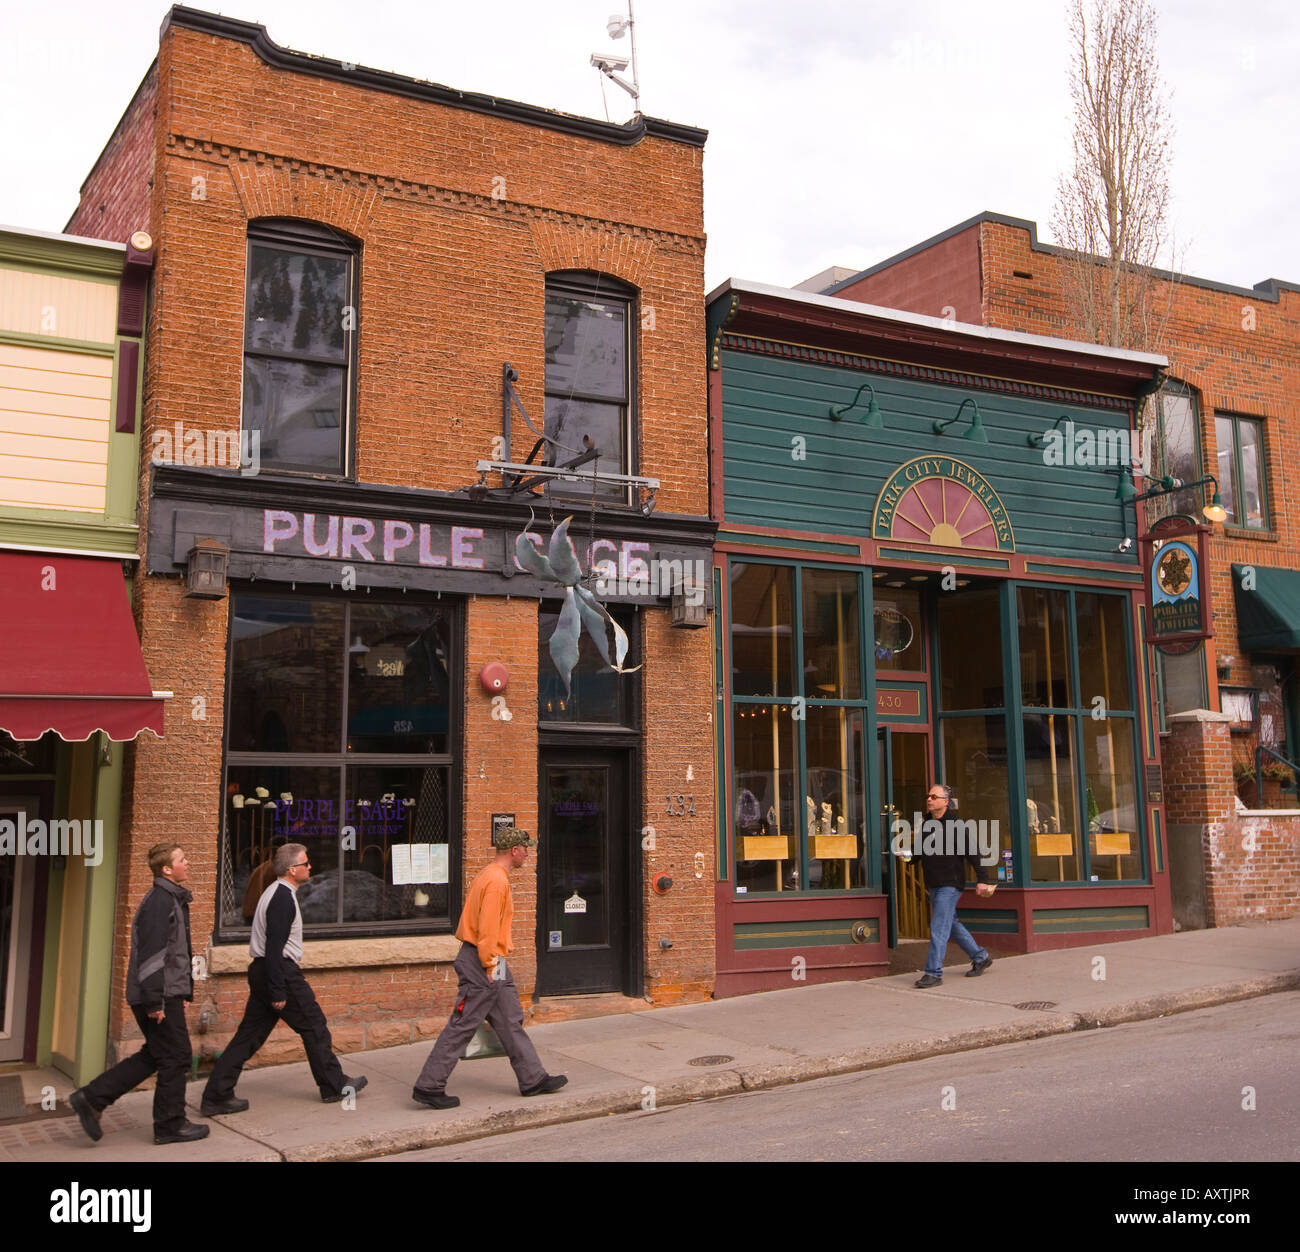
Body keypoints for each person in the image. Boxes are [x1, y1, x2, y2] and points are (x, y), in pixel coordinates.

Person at [200, 842, 365, 1114]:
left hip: (267, 971)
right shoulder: (281, 898)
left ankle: (216, 1095)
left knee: (248, 1037)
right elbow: (274, 948)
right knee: (314, 1025)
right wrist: (277, 991)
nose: (310, 867)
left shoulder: (277, 893)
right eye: (305, 864)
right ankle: (334, 1086)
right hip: (278, 972)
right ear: (292, 869)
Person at [412, 826, 566, 1109]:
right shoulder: (496, 881)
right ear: (514, 851)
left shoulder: (489, 874)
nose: (528, 854)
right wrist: (490, 965)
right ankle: (429, 1085)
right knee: (463, 1024)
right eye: (525, 849)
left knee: (510, 1019)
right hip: (484, 962)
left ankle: (533, 1078)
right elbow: (487, 929)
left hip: (491, 961)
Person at [69, 844, 209, 1145]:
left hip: (164, 993)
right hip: (157, 995)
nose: (188, 862)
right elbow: (151, 957)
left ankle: (92, 1098)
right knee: (176, 1056)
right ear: (167, 869)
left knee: (159, 1053)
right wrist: (155, 1001)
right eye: (182, 859)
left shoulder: (170, 898)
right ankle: (170, 1125)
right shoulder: (160, 902)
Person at [909, 783, 996, 988]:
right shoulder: (927, 824)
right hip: (934, 884)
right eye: (928, 796)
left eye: (934, 796)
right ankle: (980, 957)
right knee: (952, 924)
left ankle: (933, 973)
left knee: (938, 927)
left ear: (945, 802)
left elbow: (973, 853)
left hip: (950, 884)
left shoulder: (956, 825)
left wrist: (983, 879)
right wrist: (906, 856)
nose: (929, 799)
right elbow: (918, 853)